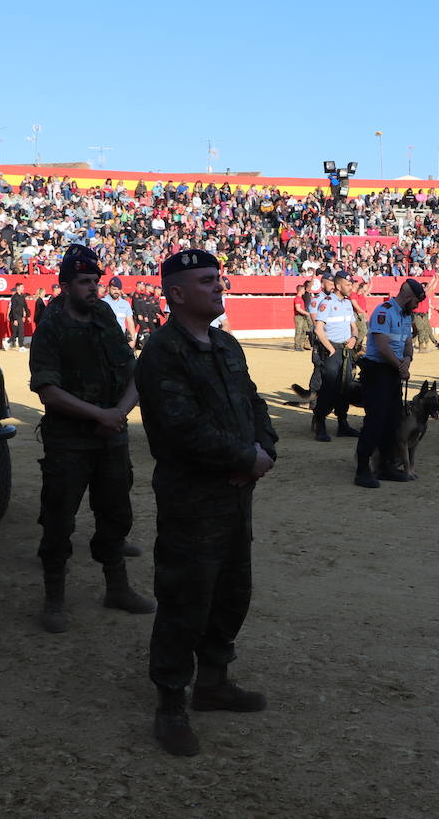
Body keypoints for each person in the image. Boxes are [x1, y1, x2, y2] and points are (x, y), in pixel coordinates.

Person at [135, 248, 278, 758]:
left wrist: (265, 448)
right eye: (206, 281)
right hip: (193, 500)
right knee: (184, 599)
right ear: (175, 294)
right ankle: (170, 703)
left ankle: (213, 682)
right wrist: (245, 456)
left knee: (231, 592)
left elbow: (254, 402)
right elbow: (180, 428)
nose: (219, 287)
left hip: (236, 494)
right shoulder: (161, 353)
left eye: (219, 279)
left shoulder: (226, 345)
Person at [29, 245, 153, 634]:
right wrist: (102, 415)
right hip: (69, 441)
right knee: (58, 519)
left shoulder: (103, 315)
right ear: (64, 286)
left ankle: (117, 588)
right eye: (84, 283)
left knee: (116, 513)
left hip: (111, 436)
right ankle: (54, 600)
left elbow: (134, 371)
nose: (93, 289)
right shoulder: (51, 327)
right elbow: (47, 390)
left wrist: (118, 414)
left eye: (95, 282)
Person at [354, 279, 423, 488]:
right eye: (416, 301)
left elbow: (408, 345)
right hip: (377, 372)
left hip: (393, 373)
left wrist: (407, 361)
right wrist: (400, 366)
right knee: (375, 421)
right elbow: (382, 346)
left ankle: (385, 465)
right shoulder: (384, 312)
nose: (417, 306)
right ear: (409, 297)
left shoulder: (405, 315)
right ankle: (362, 469)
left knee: (392, 421)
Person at [310, 271, 360, 442]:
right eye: (347, 284)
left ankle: (342, 424)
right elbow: (318, 329)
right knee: (328, 389)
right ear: (338, 286)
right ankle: (320, 426)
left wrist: (354, 337)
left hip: (346, 352)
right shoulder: (327, 303)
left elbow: (354, 327)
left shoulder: (347, 304)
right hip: (332, 351)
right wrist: (331, 349)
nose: (351, 287)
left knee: (345, 388)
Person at [103, 277, 137, 344]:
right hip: (106, 340)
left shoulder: (125, 304)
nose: (116, 291)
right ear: (108, 288)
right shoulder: (102, 302)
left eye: (118, 289)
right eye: (114, 289)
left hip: (121, 339)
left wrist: (133, 340)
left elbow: (130, 322)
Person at [8, 282, 30, 350]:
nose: (23, 288)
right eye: (22, 287)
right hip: (15, 315)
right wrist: (15, 319)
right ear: (18, 288)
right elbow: (13, 309)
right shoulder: (14, 297)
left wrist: (27, 316)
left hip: (20, 315)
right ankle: (21, 346)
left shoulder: (22, 296)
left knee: (16, 332)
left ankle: (7, 342)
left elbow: (25, 306)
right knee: (20, 331)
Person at [292, 282, 312, 350]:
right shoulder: (297, 298)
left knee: (304, 330)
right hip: (299, 316)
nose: (304, 291)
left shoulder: (299, 298)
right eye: (303, 290)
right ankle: (297, 345)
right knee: (299, 331)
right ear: (300, 290)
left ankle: (300, 345)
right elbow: (298, 308)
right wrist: (306, 313)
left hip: (302, 316)